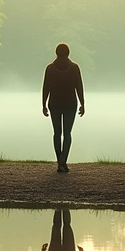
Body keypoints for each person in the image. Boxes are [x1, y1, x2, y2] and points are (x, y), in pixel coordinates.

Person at [41, 42, 85, 173]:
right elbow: (79, 87)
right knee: (67, 133)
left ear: (56, 53)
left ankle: (59, 160)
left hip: (54, 103)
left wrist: (43, 105)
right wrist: (83, 103)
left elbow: (45, 88)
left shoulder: (50, 68)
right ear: (68, 53)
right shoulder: (74, 68)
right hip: (70, 103)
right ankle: (63, 161)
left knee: (56, 133)